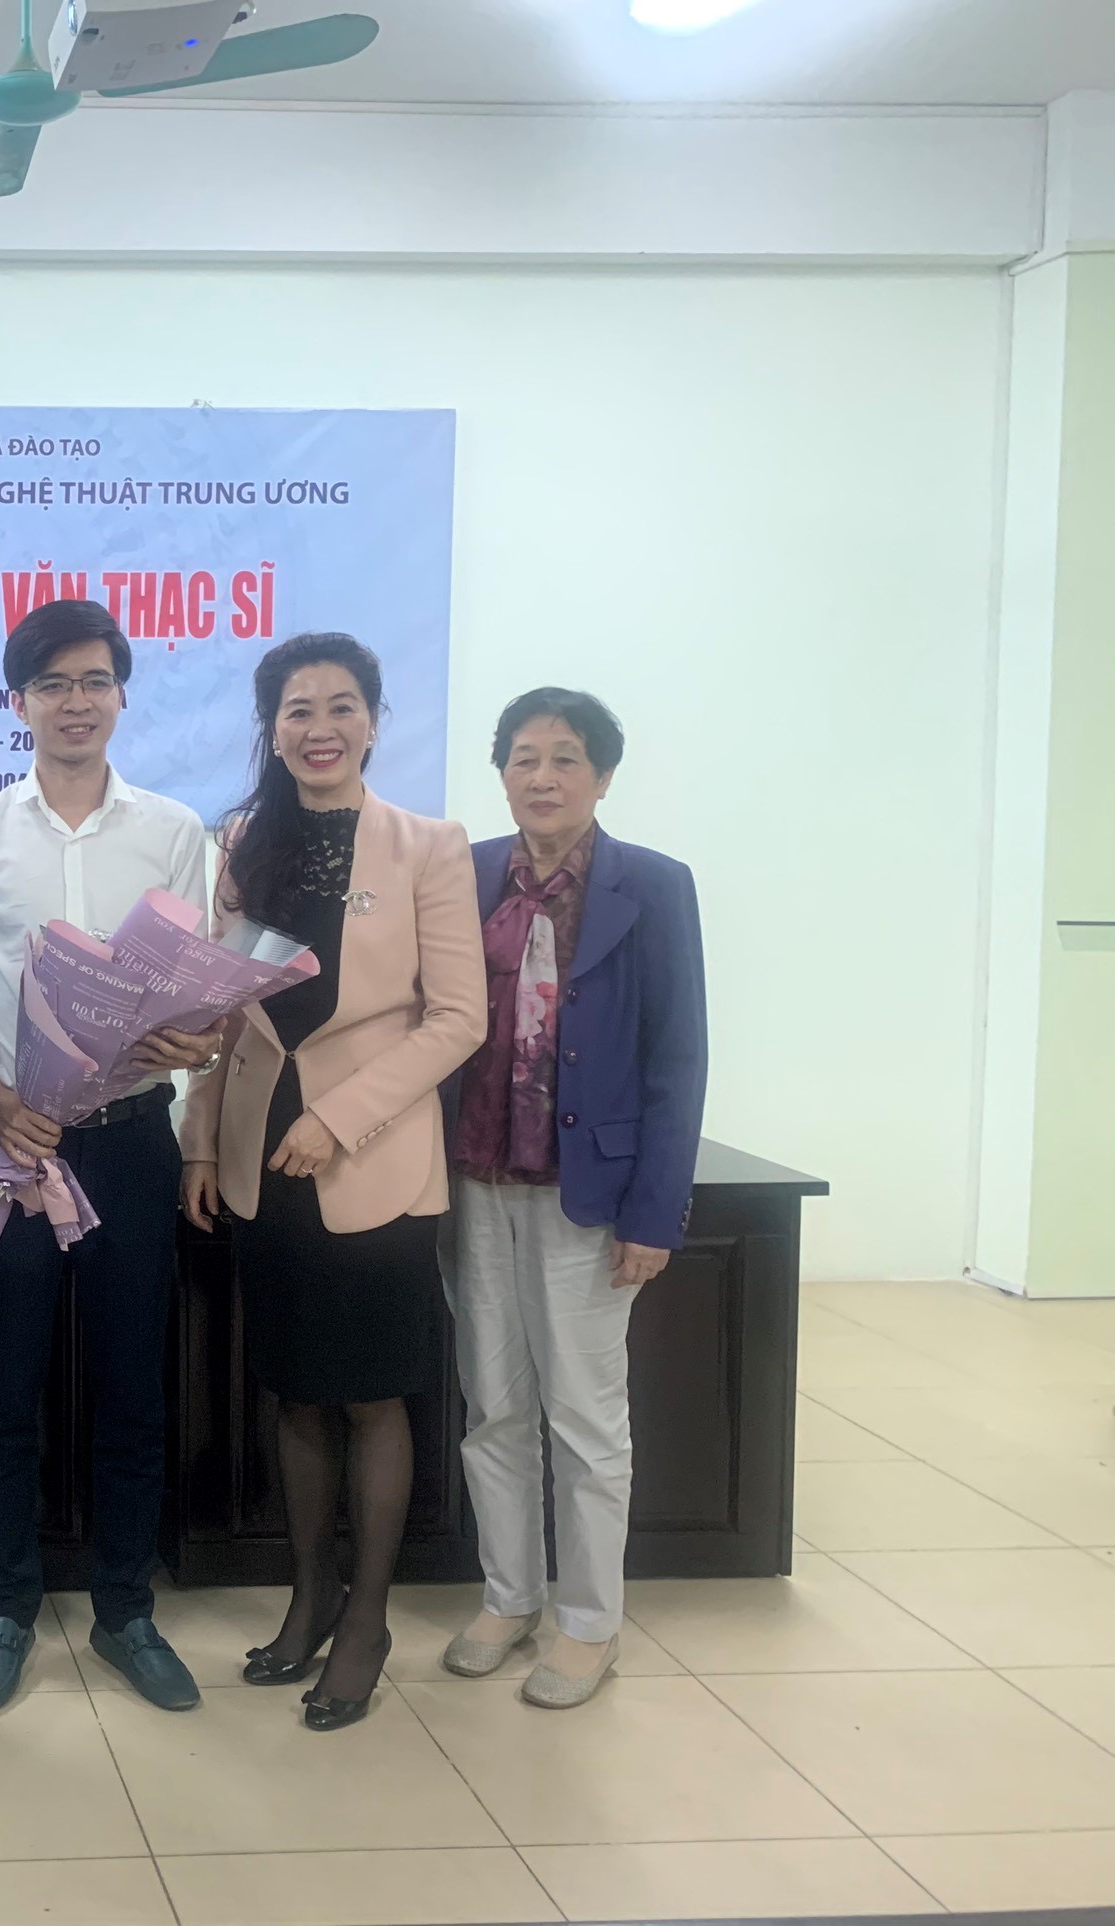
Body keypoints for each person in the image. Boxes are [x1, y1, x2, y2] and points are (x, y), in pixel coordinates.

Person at [180, 632, 482, 1732]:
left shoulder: (428, 846)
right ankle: (309, 1598)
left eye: (342, 706)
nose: (320, 728)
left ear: (374, 721)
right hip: (263, 1155)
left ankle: (368, 1621)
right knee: (295, 1386)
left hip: (374, 1154)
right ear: (272, 729)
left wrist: (340, 1118)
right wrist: (201, 1142)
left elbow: (459, 1018)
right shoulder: (244, 842)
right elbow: (221, 1009)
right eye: (298, 709)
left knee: (372, 1392)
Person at [0, 600, 217, 1714]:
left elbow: (197, 992)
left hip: (131, 1142)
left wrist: (196, 1036)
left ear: (122, 695)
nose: (75, 702)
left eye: (94, 681)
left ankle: (125, 1611)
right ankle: (5, 1609)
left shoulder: (173, 831)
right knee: (3, 1391)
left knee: (132, 1390)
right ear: (19, 703)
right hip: (16, 1148)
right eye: (52, 684)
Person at [441, 688, 707, 1709]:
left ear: (603, 776)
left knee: (587, 1420)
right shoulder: (466, 875)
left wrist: (654, 1213)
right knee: (493, 1408)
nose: (542, 777)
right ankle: (508, 1598)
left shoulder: (653, 885)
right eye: (523, 757)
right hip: (474, 1180)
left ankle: (589, 1622)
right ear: (501, 773)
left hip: (586, 1193)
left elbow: (678, 1058)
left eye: (564, 758)